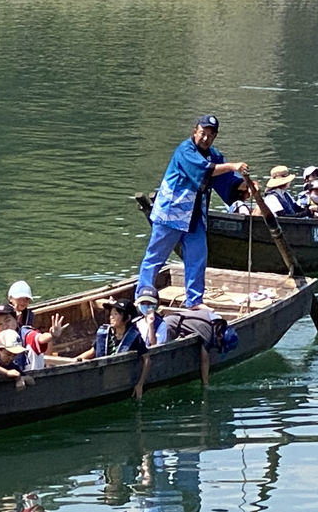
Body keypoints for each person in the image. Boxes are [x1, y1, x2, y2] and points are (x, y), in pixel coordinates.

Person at [137, 115, 249, 309]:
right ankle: (143, 297)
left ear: (215, 137)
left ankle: (194, 302)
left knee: (197, 258)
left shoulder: (214, 155)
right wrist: (232, 165)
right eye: (203, 133)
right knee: (155, 256)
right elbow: (205, 170)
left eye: (210, 135)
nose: (205, 138)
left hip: (195, 216)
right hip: (171, 214)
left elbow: (227, 180)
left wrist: (245, 185)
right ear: (195, 131)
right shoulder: (185, 150)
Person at [78, 298, 152, 399]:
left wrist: (140, 384)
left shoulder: (134, 337)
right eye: (111, 314)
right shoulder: (105, 333)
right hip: (101, 376)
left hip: (120, 378)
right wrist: (74, 361)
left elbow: (146, 358)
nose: (111, 317)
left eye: (116, 314)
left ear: (127, 318)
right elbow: (92, 352)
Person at [0, 303, 67, 371]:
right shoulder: (0, 340)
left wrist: (52, 335)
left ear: (16, 319)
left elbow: (40, 339)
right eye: (0, 324)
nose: (5, 326)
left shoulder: (26, 334)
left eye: (7, 321)